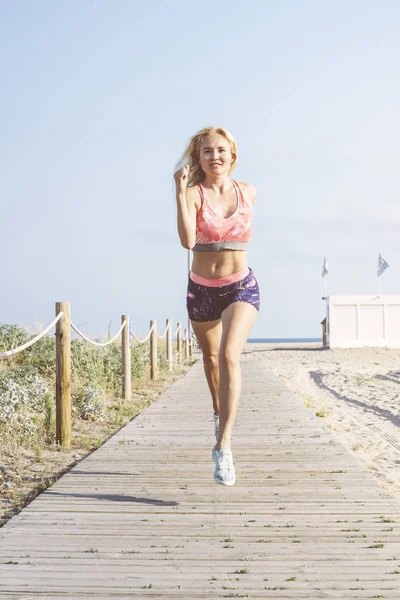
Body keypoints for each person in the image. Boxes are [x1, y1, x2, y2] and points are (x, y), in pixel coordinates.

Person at [174, 126, 260, 486]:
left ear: (232, 155)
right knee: (210, 361)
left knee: (228, 356)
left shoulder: (249, 192)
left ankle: (224, 447)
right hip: (202, 289)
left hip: (241, 285)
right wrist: (179, 193)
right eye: (207, 151)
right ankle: (217, 413)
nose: (215, 156)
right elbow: (187, 241)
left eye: (221, 150)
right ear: (199, 158)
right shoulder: (193, 194)